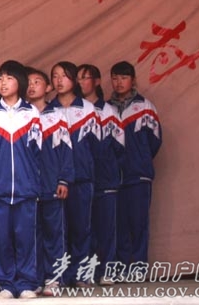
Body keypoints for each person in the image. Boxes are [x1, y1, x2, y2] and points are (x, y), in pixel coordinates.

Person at [0, 60, 42, 299]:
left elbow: (37, 151)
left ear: (20, 82)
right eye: (0, 78)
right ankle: (6, 284)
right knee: (2, 239)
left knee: (25, 237)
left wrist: (33, 181)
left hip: (26, 187)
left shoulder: (31, 113)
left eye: (9, 78)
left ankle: (26, 283)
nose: (3, 83)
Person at [48, 61, 101, 287]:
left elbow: (97, 146)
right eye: (55, 76)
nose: (59, 80)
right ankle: (59, 275)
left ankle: (81, 274)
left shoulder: (88, 109)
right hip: (54, 181)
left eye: (64, 76)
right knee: (57, 231)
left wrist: (86, 166)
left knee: (81, 228)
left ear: (74, 80)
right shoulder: (47, 110)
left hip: (81, 178)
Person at [108, 61, 161, 271]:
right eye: (115, 78)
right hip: (113, 176)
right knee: (118, 223)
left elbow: (155, 140)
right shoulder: (106, 109)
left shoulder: (145, 107)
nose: (119, 82)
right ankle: (121, 268)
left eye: (124, 78)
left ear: (133, 80)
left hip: (138, 175)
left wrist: (140, 159)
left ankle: (139, 268)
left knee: (138, 223)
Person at [78, 64, 124, 285]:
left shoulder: (108, 111)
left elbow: (120, 147)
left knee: (106, 228)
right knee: (82, 229)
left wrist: (107, 166)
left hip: (105, 179)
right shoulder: (73, 109)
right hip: (80, 179)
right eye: (77, 78)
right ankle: (85, 272)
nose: (80, 82)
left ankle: (107, 270)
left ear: (97, 81)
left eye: (85, 78)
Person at [34, 80, 73, 296]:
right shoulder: (21, 115)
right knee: (30, 235)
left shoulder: (57, 116)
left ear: (48, 87)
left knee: (54, 234)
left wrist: (64, 180)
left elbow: (66, 150)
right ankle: (35, 277)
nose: (32, 86)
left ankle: (54, 277)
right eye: (28, 82)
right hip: (27, 188)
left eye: (37, 82)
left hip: (51, 185)